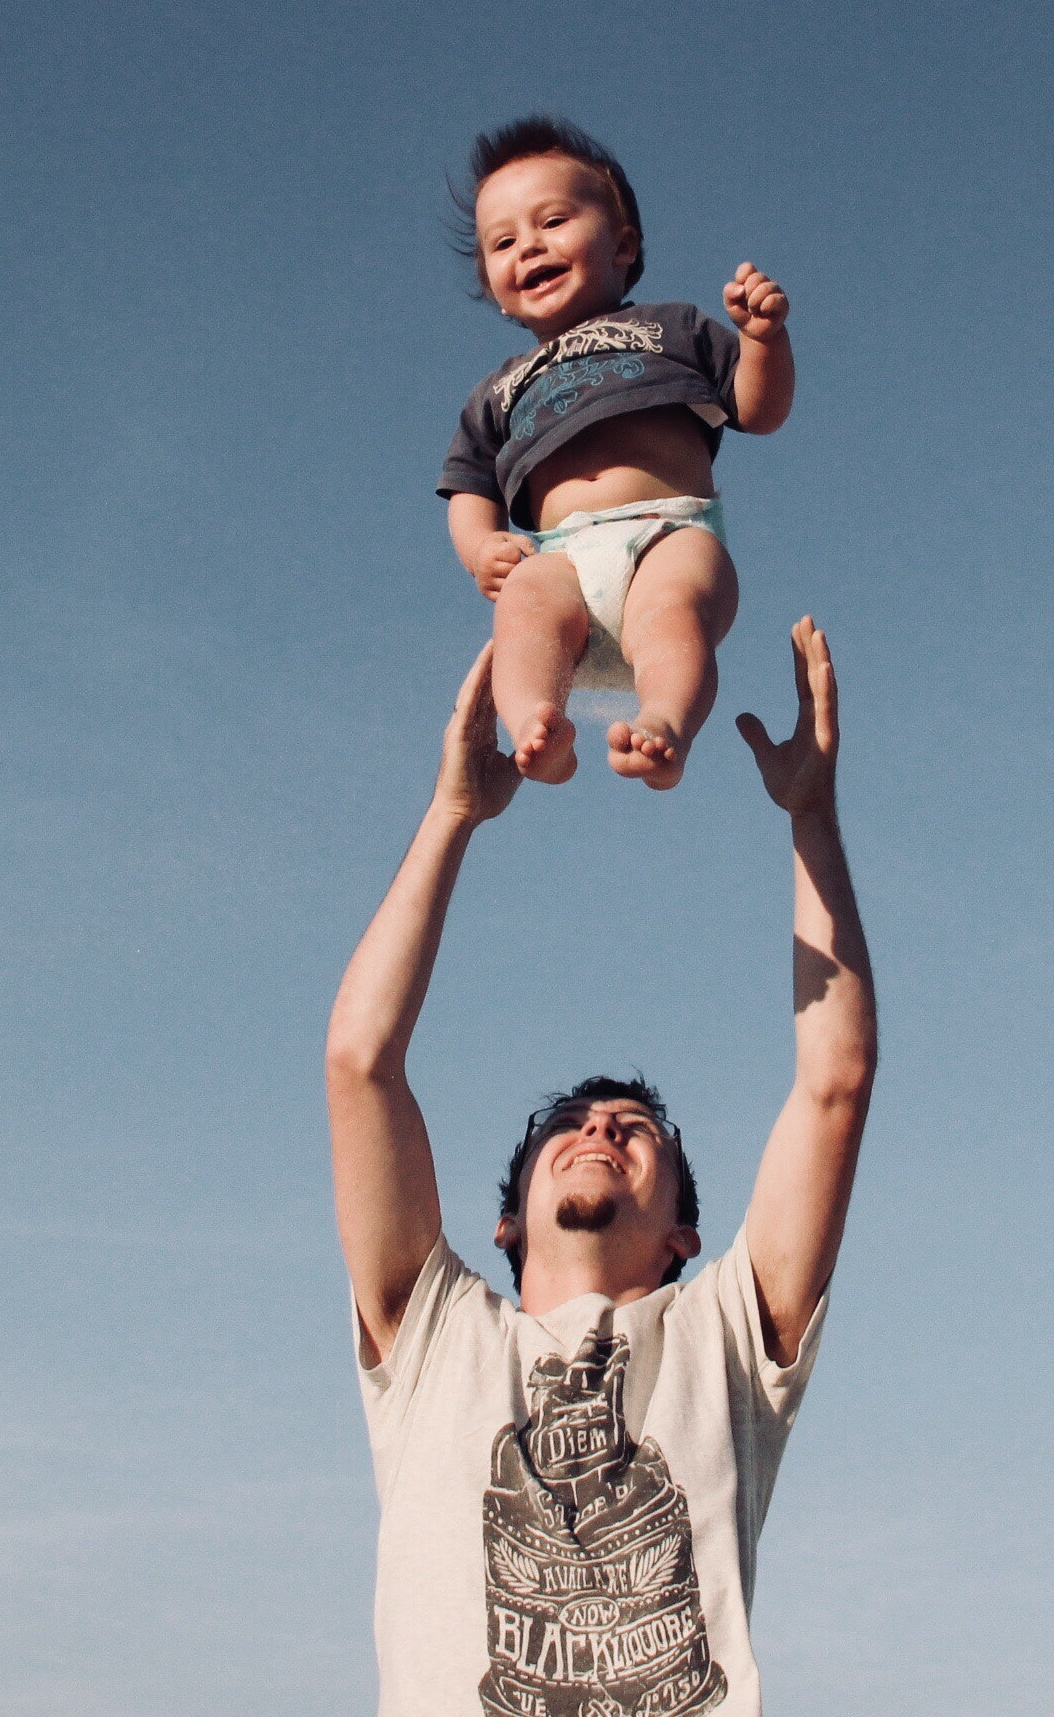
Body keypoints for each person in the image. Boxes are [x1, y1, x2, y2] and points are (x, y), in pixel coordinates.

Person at [325, 619, 876, 1716]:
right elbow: (360, 1063)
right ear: (505, 1223)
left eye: (637, 1130)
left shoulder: (725, 1338)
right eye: (569, 1125)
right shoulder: (436, 1340)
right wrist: (451, 816)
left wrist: (812, 816)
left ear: (684, 1236)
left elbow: (835, 1082)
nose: (600, 1130)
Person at [438, 115, 795, 791]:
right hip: (560, 556)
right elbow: (468, 486)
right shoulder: (499, 390)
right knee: (522, 608)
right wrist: (481, 548)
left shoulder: (672, 328)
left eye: (553, 222)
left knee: (671, 616)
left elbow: (758, 410)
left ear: (623, 244)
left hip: (671, 532)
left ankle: (664, 724)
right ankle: (536, 726)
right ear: (492, 285)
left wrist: (762, 342)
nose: (529, 247)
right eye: (504, 241)